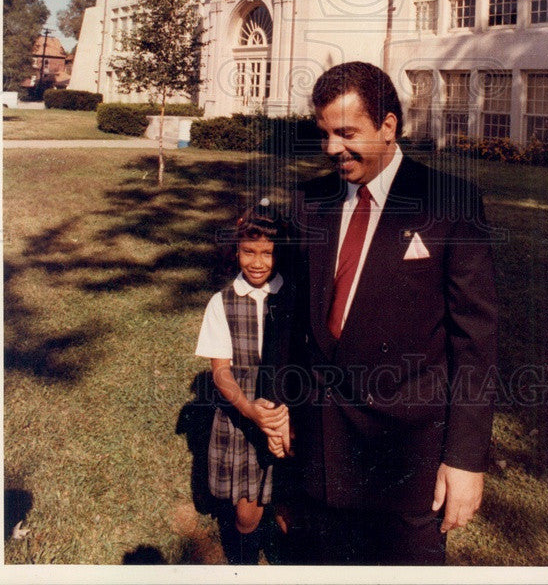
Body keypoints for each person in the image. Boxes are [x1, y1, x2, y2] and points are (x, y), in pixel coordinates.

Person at [288, 61, 498, 565]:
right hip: (322, 455)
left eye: (347, 133)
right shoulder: (309, 203)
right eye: (325, 134)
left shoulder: (450, 202)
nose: (333, 149)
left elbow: (477, 342)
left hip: (409, 463)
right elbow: (294, 318)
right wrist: (280, 400)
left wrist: (466, 461)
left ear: (388, 125)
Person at [194, 199, 293, 564]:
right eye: (248, 251)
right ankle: (244, 564)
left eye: (267, 253)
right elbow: (221, 371)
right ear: (235, 250)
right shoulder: (222, 303)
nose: (257, 262)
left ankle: (287, 560)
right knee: (247, 513)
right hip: (244, 416)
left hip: (289, 412)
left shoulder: (293, 296)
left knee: (288, 508)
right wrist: (250, 411)